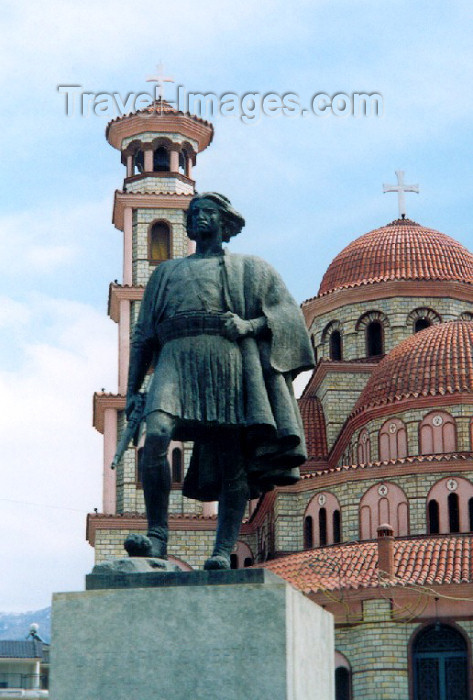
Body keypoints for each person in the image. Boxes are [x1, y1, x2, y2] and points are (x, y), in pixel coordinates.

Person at [125, 192, 314, 569]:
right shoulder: (166, 273)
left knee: (232, 456)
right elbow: (143, 334)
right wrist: (132, 391)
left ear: (225, 223)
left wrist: (249, 325)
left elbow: (288, 317)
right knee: (157, 433)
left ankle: (221, 550)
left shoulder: (251, 268)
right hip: (176, 356)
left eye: (207, 213)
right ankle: (158, 536)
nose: (199, 218)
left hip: (226, 359)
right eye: (194, 213)